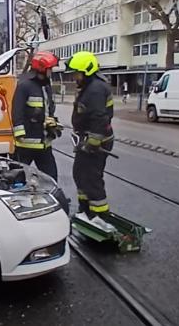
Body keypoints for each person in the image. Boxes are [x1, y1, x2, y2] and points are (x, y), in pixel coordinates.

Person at [67, 51, 116, 232]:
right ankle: (85, 209)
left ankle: (100, 216)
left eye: (76, 73)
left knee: (92, 178)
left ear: (86, 71)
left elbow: (99, 118)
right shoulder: (89, 87)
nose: (74, 77)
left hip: (97, 142)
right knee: (80, 173)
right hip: (86, 140)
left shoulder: (95, 89)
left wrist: (94, 142)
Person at [11, 51, 59, 181]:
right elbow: (17, 111)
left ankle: (53, 199)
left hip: (44, 143)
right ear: (42, 69)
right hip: (25, 145)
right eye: (50, 69)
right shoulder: (25, 85)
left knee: (51, 177)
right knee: (17, 177)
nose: (51, 72)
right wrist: (20, 134)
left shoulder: (46, 85)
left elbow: (47, 109)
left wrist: (52, 123)